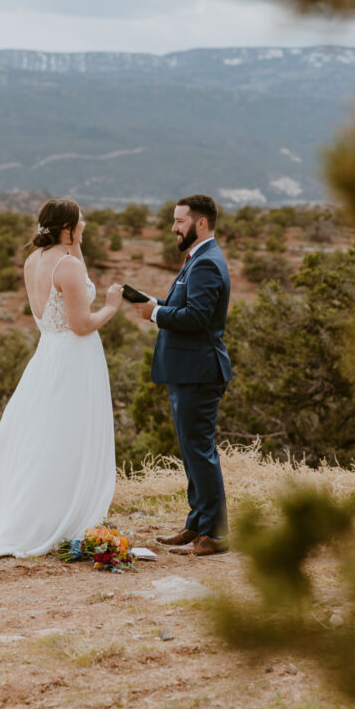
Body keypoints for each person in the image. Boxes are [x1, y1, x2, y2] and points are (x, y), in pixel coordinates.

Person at [0, 198, 123, 561]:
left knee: (44, 437)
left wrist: (77, 245)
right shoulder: (68, 266)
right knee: (67, 437)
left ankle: (47, 511)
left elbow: (70, 291)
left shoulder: (35, 261)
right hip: (74, 359)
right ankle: (54, 518)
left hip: (48, 355)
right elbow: (82, 324)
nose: (85, 223)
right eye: (80, 220)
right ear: (66, 228)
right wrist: (111, 305)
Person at [133, 194, 232, 557]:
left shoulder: (206, 262)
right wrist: (156, 304)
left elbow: (197, 318)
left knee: (200, 452)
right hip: (187, 372)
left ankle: (217, 535)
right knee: (191, 452)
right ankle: (197, 524)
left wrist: (155, 316)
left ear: (200, 223)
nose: (173, 227)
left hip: (200, 373)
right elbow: (186, 307)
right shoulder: (199, 258)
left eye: (179, 221)